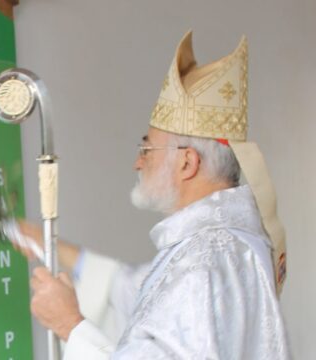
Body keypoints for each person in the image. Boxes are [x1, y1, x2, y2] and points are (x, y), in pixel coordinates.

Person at [19, 31, 291, 359]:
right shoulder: (227, 244)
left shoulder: (204, 260)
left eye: (147, 148)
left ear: (187, 162)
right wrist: (44, 241)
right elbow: (134, 290)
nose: (137, 162)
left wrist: (70, 325)